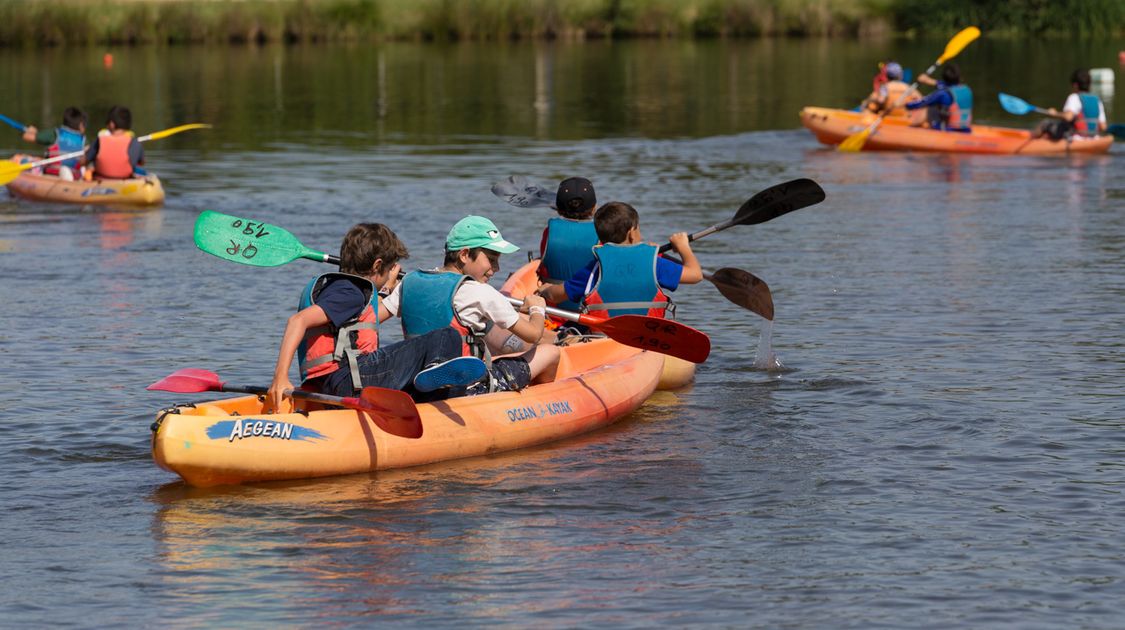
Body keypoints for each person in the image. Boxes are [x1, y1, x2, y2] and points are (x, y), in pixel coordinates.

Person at [265, 223, 487, 412]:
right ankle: (440, 399)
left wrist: (385, 290)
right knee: (445, 338)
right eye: (390, 267)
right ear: (377, 265)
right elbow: (297, 321)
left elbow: (360, 322)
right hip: (352, 381)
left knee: (431, 374)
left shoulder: (340, 288)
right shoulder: (349, 292)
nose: (393, 272)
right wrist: (280, 378)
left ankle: (428, 393)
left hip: (330, 387)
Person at [381, 215, 561, 395]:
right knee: (550, 352)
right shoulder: (480, 291)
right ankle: (536, 401)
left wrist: (386, 289)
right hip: (468, 387)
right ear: (464, 255)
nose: (496, 268)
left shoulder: (410, 282)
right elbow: (533, 335)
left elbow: (373, 317)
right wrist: (537, 308)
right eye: (491, 259)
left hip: (414, 381)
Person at [537, 201, 703, 320]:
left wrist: (545, 291)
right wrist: (683, 247)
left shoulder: (596, 267)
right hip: (647, 335)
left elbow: (557, 295)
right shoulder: (654, 263)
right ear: (632, 233)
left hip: (605, 336)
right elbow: (696, 275)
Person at [538, 176, 600, 312]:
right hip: (590, 310)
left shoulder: (549, 232)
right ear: (594, 207)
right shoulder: (602, 233)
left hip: (555, 310)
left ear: (558, 209)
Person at [1033, 69, 1108, 141]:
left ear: (1075, 85)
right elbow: (1103, 127)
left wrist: (1054, 113)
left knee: (1045, 123)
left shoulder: (1074, 97)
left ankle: (1031, 141)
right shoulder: (1097, 100)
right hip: (1094, 137)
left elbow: (1068, 117)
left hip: (1075, 137)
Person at [20, 107, 87, 181]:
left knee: (21, 158)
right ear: (81, 125)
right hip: (74, 173)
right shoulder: (84, 141)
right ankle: (70, 175)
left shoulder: (55, 134)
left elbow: (27, 137)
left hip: (53, 172)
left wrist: (30, 131)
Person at [906, 63, 972, 132]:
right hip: (966, 129)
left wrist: (907, 104)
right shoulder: (967, 90)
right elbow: (946, 85)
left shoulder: (942, 94)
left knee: (930, 107)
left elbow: (921, 103)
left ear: (944, 78)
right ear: (959, 77)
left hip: (947, 130)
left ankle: (914, 128)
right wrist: (927, 80)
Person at [83, 105, 144, 179]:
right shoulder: (135, 143)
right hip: (124, 180)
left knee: (89, 167)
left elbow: (84, 161)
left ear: (112, 124)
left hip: (101, 180)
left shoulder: (100, 140)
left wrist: (87, 152)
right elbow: (141, 163)